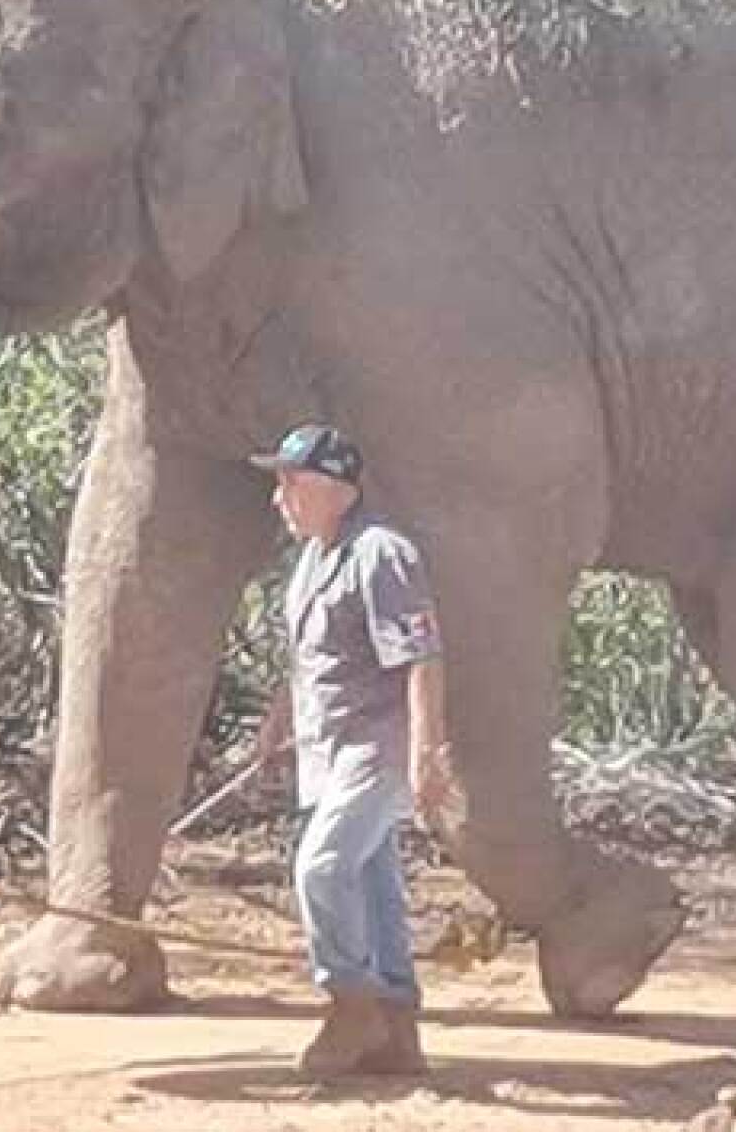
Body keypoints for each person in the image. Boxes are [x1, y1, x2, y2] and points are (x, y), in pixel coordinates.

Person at [249, 423, 454, 1078]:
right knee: (372, 884)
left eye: (292, 482)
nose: (280, 497)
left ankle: (349, 1002)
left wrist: (426, 754)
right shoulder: (313, 557)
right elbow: (308, 659)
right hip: (326, 746)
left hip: (375, 748)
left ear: (333, 488)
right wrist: (277, 723)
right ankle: (396, 1026)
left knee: (321, 868)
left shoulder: (381, 553)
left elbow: (421, 657)